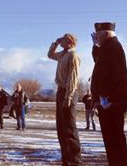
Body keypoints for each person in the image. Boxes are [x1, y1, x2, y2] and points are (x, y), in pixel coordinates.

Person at [90, 22, 127, 166]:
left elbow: (112, 74)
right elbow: (99, 62)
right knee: (112, 141)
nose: (97, 37)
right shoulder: (108, 47)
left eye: (99, 35)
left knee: (114, 140)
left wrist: (104, 96)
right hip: (109, 101)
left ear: (106, 34)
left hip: (111, 102)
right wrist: (96, 46)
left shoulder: (112, 47)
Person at [48, 33, 82, 166]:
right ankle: (65, 158)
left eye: (62, 40)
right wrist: (55, 44)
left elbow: (73, 79)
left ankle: (74, 159)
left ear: (69, 42)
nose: (60, 41)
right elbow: (50, 55)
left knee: (69, 127)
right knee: (61, 127)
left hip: (69, 92)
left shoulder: (73, 56)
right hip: (61, 91)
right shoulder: (63, 54)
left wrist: (68, 97)